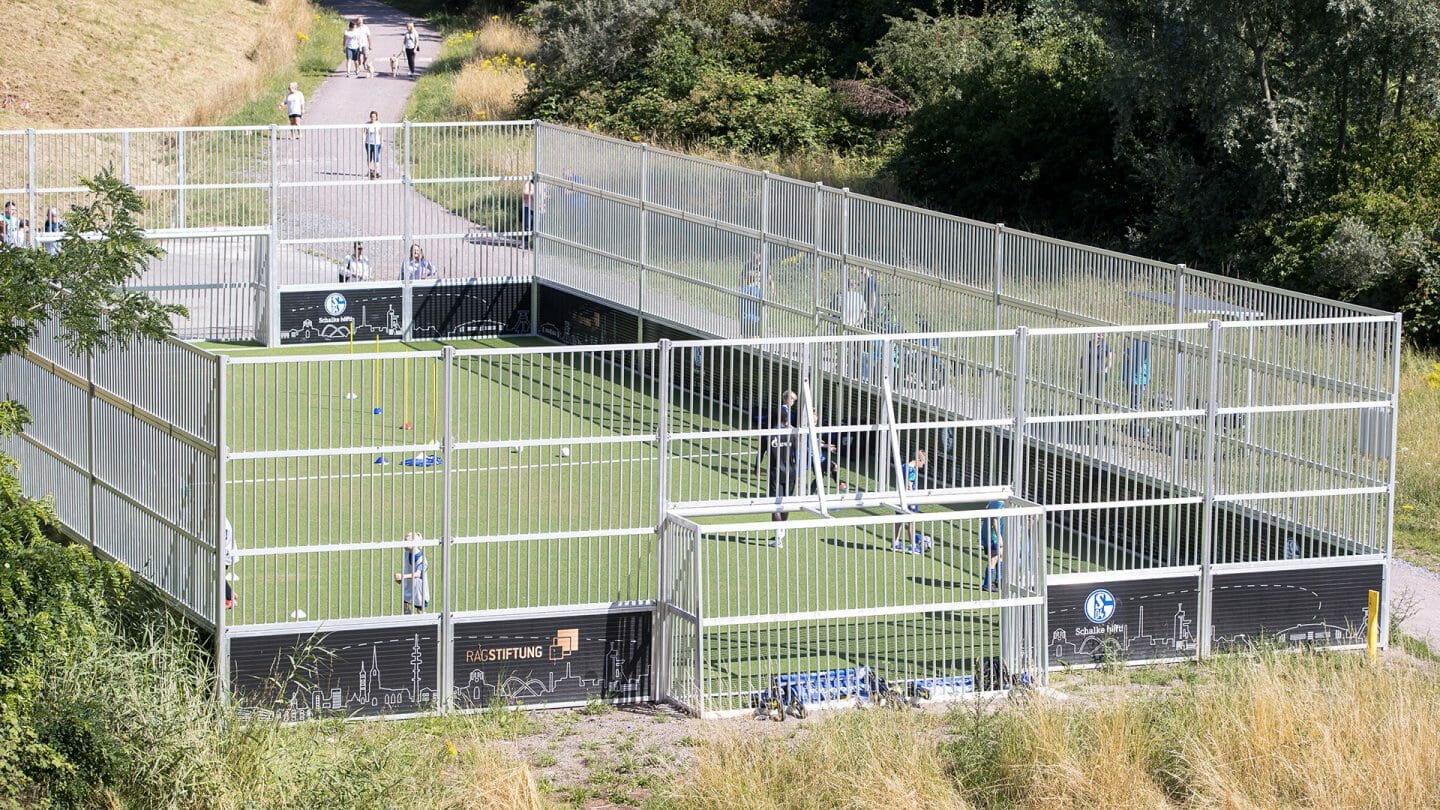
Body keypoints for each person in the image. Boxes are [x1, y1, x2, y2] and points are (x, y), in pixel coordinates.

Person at [765, 390, 799, 548]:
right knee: (784, 502)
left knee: (776, 503)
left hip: (778, 470)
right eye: (792, 399)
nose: (793, 402)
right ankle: (781, 531)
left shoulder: (773, 433)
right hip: (789, 470)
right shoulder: (790, 431)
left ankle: (779, 535)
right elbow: (795, 454)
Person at [891, 450, 930, 553]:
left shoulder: (904, 466)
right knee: (911, 523)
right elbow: (909, 485)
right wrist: (912, 501)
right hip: (909, 499)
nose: (923, 465)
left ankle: (895, 543)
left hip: (900, 497)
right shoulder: (912, 470)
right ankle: (913, 546)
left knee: (898, 521)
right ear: (919, 460)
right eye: (923, 463)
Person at [1122, 337, 1152, 436]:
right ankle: (1134, 423)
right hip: (1130, 376)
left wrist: (1128, 355)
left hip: (1138, 378)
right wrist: (1125, 343)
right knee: (1133, 402)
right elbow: (1125, 354)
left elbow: (1138, 358)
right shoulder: (1135, 339)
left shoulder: (1145, 343)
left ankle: (1138, 425)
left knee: (1137, 403)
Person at [393, 533, 429, 613]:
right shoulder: (407, 553)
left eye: (406, 541)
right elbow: (407, 568)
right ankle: (407, 621)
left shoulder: (420, 558)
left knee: (420, 609)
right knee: (405, 605)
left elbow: (418, 574)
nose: (403, 543)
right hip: (409, 585)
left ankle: (425, 623)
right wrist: (402, 579)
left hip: (419, 588)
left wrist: (403, 576)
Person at [980, 499, 1005, 591]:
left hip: (992, 534)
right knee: (993, 559)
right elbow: (994, 520)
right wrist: (999, 537)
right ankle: (987, 584)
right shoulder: (999, 503)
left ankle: (999, 580)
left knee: (1000, 556)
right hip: (993, 536)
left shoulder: (994, 501)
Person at [739, 261, 762, 338]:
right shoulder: (759, 292)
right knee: (756, 337)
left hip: (744, 319)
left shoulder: (742, 290)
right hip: (756, 321)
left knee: (745, 338)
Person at [222, 517, 238, 609]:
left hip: (224, 553)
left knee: (215, 574)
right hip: (224, 552)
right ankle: (230, 593)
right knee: (216, 574)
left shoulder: (221, 523)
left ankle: (229, 599)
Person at [364, 111, 382, 179]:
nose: (372, 118)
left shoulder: (379, 124)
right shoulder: (367, 124)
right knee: (369, 157)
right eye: (371, 117)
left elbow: (380, 133)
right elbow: (364, 132)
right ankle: (370, 170)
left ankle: (377, 171)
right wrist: (364, 140)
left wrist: (381, 141)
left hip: (376, 143)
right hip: (368, 143)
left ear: (376, 117)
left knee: (376, 157)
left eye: (374, 117)